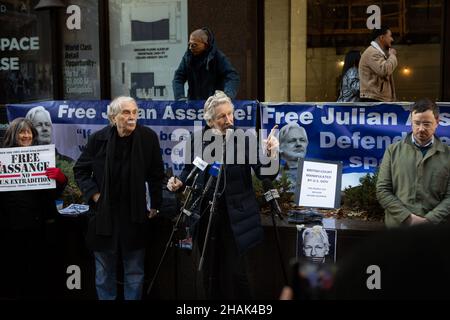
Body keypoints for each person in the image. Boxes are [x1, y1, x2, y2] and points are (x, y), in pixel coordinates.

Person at [166, 91, 279, 299]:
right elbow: (189, 171)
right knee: (210, 272)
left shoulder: (244, 139)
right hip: (207, 215)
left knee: (238, 272)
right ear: (210, 120)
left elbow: (265, 172)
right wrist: (179, 182)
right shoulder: (197, 140)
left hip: (237, 217)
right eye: (221, 117)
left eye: (230, 115)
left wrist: (273, 154)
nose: (228, 120)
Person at [73, 96, 164, 300]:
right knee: (104, 274)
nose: (132, 117)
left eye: (134, 112)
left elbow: (157, 175)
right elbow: (80, 170)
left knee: (134, 273)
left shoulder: (148, 137)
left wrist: (155, 204)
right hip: (105, 218)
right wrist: (95, 196)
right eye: (126, 113)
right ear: (113, 117)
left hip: (135, 216)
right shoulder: (98, 139)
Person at [0, 118, 67, 299]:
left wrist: (60, 179)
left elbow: (51, 195)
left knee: (39, 273)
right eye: (22, 132)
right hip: (10, 229)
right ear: (13, 135)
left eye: (29, 132)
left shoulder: (43, 157)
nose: (26, 135)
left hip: (39, 227)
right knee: (14, 274)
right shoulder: (2, 158)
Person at [376, 98, 450, 228]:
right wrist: (408, 218)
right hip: (399, 230)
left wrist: (429, 221)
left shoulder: (448, 155)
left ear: (437, 122)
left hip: (435, 233)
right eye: (417, 123)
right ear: (411, 122)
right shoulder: (393, 151)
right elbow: (383, 190)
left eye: (427, 124)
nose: (421, 129)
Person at [172, 27, 240, 100]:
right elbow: (178, 77)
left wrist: (227, 96)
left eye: (194, 45)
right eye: (189, 44)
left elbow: (232, 76)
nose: (190, 48)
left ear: (206, 45)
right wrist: (179, 97)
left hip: (214, 104)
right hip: (194, 104)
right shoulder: (188, 57)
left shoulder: (218, 57)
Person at [359, 26, 397, 102]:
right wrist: (392, 56)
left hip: (376, 98)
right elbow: (385, 70)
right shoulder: (372, 53)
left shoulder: (376, 52)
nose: (392, 39)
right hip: (373, 99)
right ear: (382, 37)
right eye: (390, 36)